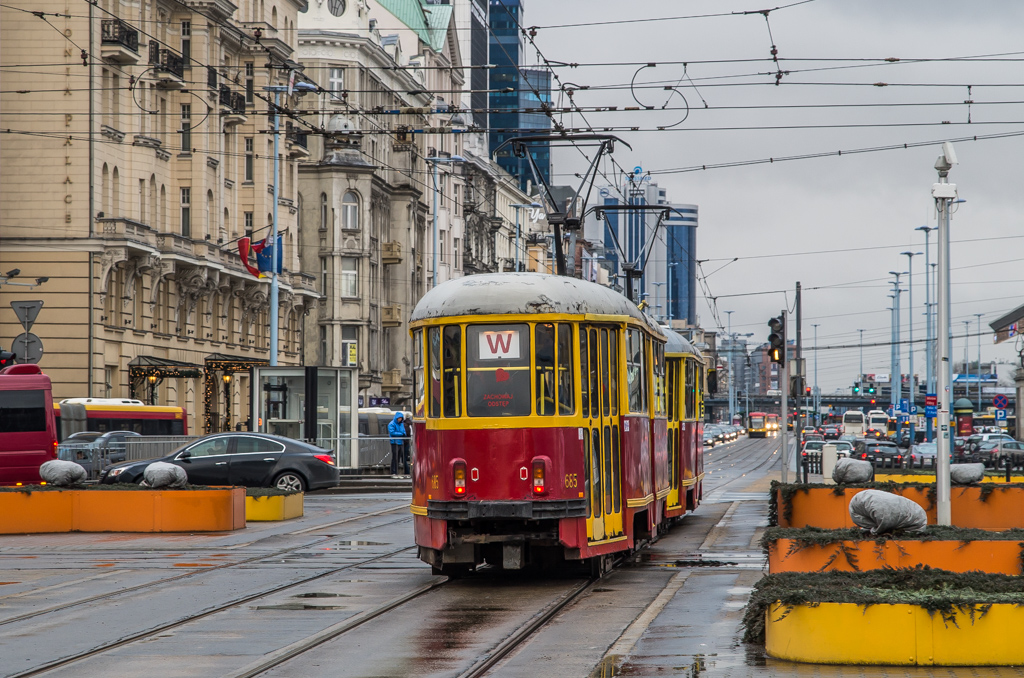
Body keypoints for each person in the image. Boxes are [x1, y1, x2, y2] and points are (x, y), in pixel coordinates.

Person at [387, 412, 405, 478]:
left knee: (398, 458)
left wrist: (403, 434)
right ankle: (393, 472)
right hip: (394, 442)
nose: (400, 419)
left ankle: (396, 472)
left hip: (400, 442)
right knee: (394, 457)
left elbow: (403, 431)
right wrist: (401, 434)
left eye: (401, 418)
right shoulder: (391, 424)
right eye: (399, 418)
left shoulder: (401, 424)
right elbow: (392, 432)